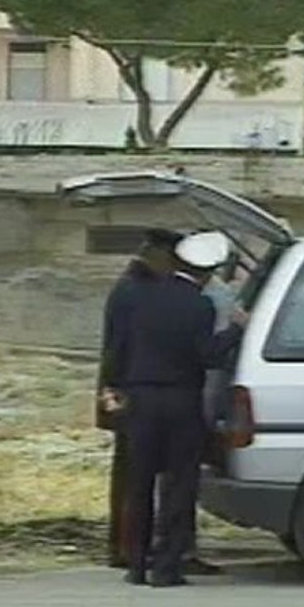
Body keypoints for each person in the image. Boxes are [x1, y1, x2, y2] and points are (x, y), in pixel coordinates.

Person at [102, 232, 248, 587]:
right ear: (207, 272)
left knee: (139, 484)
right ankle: (167, 567)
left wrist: (113, 390)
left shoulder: (139, 297)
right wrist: (236, 331)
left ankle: (136, 565)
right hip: (181, 401)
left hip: (140, 400)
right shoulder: (201, 306)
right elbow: (208, 355)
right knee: (178, 486)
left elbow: (117, 348)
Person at [97, 229, 182, 569]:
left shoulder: (134, 286)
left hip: (131, 390)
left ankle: (130, 545)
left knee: (134, 475)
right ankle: (128, 547)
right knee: (134, 478)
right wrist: (112, 393)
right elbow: (119, 347)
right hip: (132, 392)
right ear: (157, 254)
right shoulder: (134, 290)